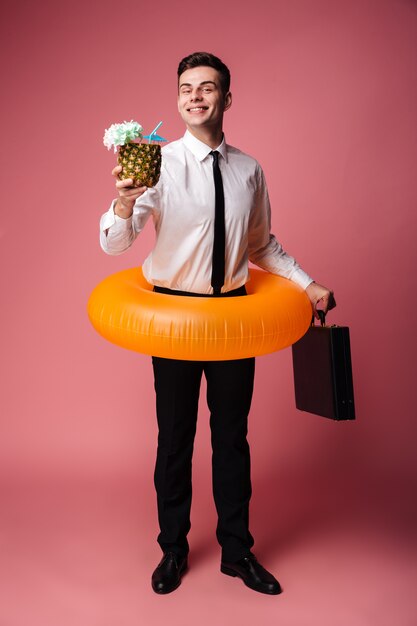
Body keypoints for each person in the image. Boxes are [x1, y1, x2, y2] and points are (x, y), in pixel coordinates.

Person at [99, 51, 335, 595]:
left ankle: (237, 551)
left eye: (207, 87)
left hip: (231, 319)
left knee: (232, 438)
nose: (196, 96)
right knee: (175, 438)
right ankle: (173, 551)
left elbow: (261, 246)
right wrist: (121, 203)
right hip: (173, 319)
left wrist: (307, 283)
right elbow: (116, 244)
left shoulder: (249, 169)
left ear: (227, 99)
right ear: (178, 98)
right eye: (186, 88)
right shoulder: (156, 162)